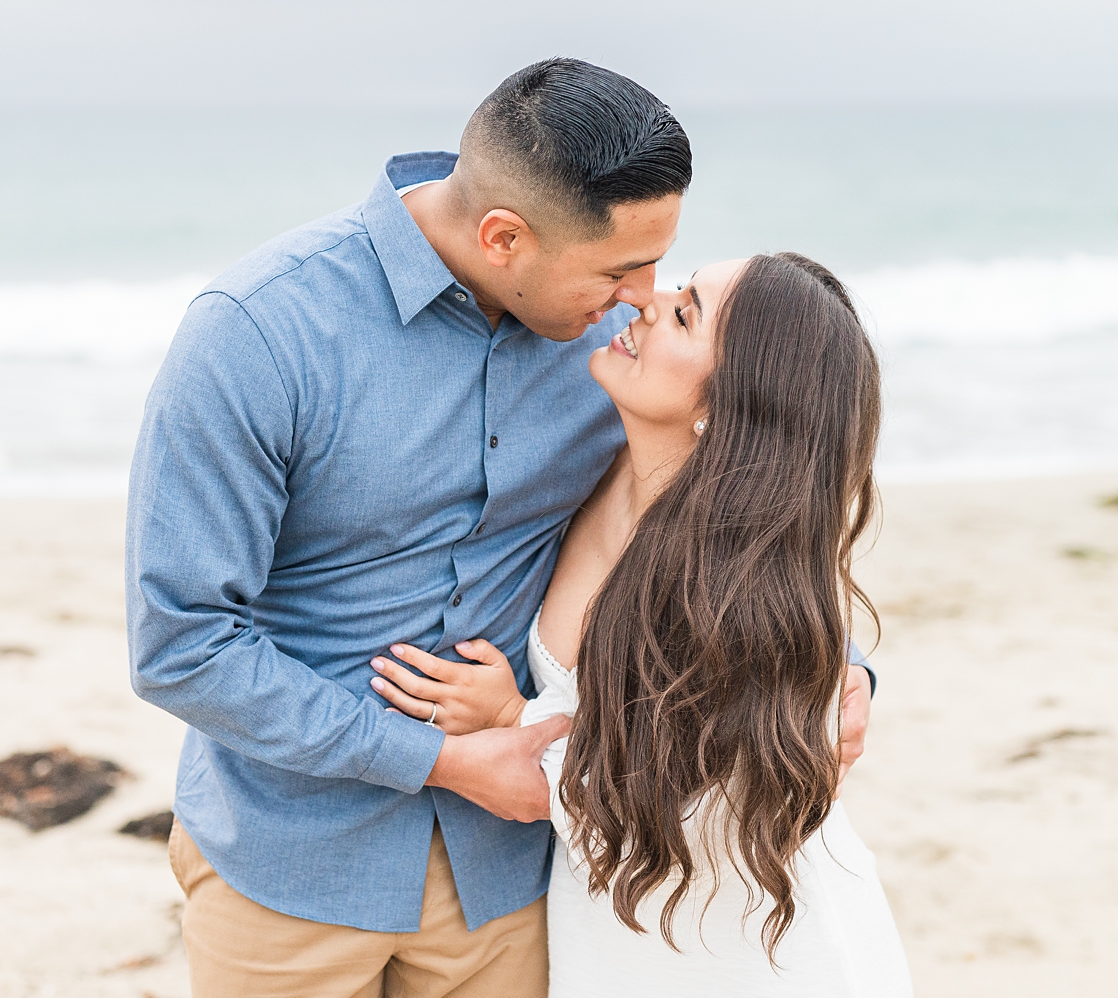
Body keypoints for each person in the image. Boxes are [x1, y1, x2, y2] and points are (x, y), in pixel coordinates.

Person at [127, 56, 874, 997]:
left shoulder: (618, 345)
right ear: (504, 237)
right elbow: (182, 643)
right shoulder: (258, 336)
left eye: (655, 264)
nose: (643, 295)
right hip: (293, 872)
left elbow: (739, 487)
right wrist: (441, 760)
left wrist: (840, 669)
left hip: (519, 878)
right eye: (618, 270)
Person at [371, 253, 912, 995]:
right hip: (628, 923)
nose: (647, 303)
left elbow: (692, 813)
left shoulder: (731, 593)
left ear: (725, 407)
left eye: (685, 311)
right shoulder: (603, 455)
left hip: (737, 946)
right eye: (680, 285)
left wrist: (511, 715)